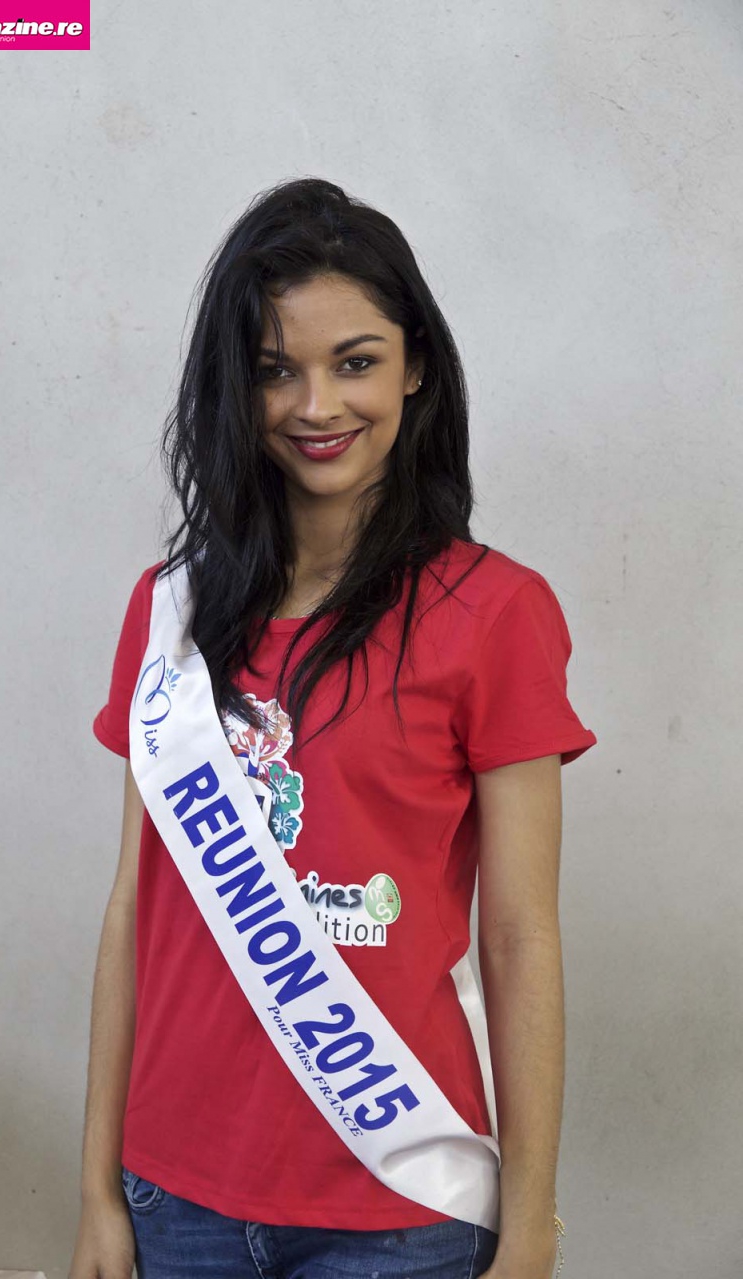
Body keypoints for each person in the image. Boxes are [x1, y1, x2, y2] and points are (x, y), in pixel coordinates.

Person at [68, 176, 597, 1279]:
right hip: (175, 1193)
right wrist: (98, 1193)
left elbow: (519, 938)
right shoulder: (169, 614)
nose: (316, 405)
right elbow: (133, 912)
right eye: (275, 370)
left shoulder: (495, 613)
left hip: (403, 1200)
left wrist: (532, 1228)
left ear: (415, 366)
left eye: (355, 361)